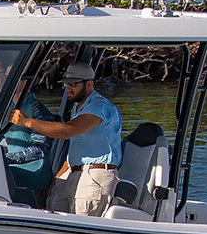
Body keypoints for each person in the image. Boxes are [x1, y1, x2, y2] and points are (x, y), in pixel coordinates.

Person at [8, 62, 122, 216]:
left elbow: (68, 131)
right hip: (75, 172)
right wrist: (58, 176)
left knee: (81, 226)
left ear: (89, 84)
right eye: (67, 84)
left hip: (95, 176)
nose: (68, 88)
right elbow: (78, 146)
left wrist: (27, 122)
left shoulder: (99, 107)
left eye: (73, 84)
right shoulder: (78, 107)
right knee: (52, 210)